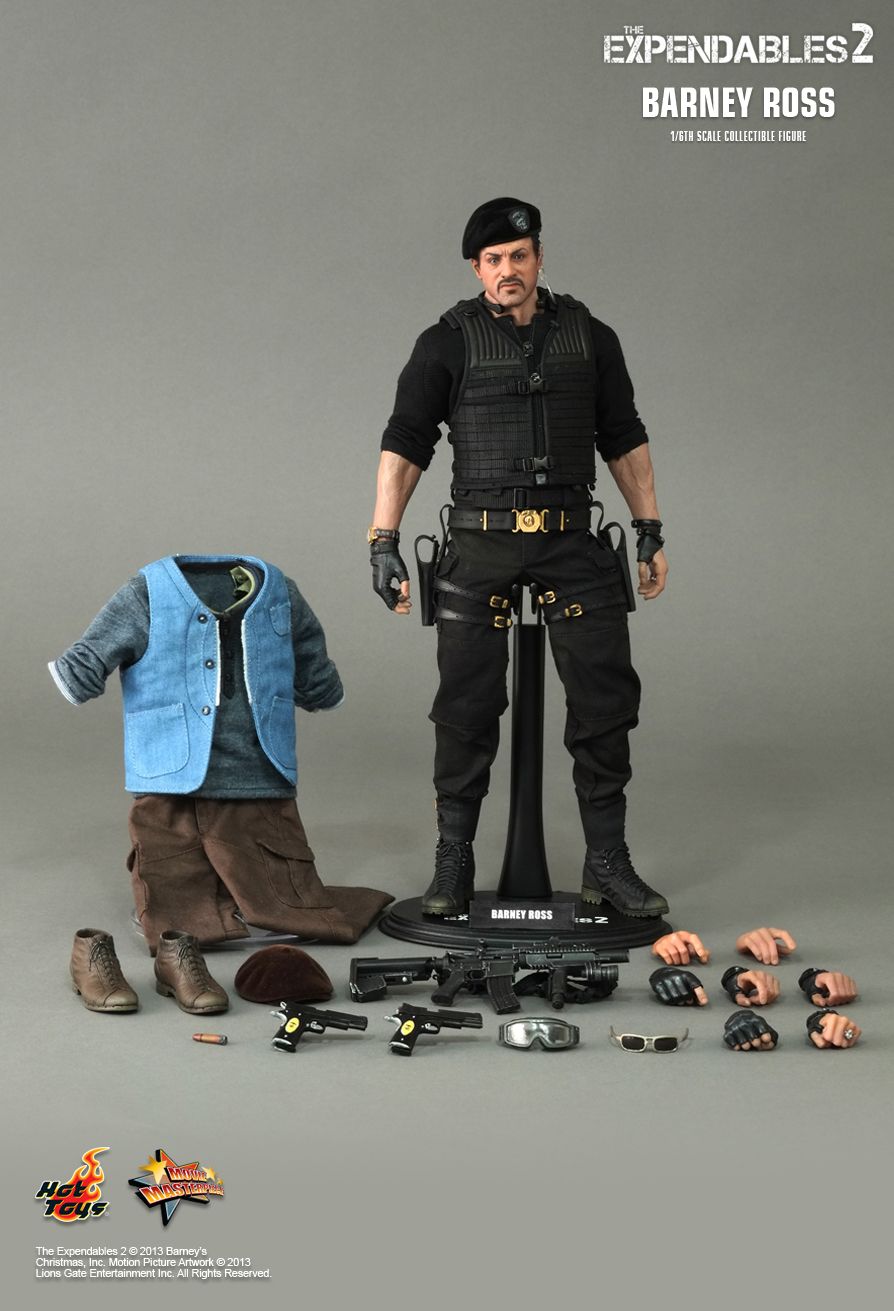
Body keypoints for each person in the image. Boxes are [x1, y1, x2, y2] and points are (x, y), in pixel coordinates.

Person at [370, 197, 668, 917]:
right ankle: (454, 858)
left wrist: (649, 526)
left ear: (539, 258)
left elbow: (623, 435)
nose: (508, 269)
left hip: (571, 539)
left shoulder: (591, 337)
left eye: (519, 256)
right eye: (494, 259)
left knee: (605, 702)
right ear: (477, 268)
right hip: (481, 541)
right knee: (464, 707)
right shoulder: (445, 343)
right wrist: (382, 541)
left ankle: (606, 861)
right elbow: (406, 442)